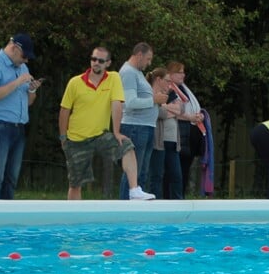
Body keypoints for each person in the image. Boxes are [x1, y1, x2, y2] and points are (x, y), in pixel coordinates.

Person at [59, 46, 155, 200]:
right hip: (77, 138)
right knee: (75, 183)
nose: (96, 63)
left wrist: (116, 132)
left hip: (100, 135)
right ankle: (74, 217)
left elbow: (116, 104)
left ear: (108, 63)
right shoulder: (75, 83)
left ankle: (134, 190)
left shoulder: (114, 78)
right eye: (93, 59)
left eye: (100, 60)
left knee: (127, 146)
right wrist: (63, 137)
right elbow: (64, 111)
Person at [0, 33, 42, 200]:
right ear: (14, 48)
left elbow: (27, 102)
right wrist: (18, 82)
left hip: (18, 128)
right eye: (24, 56)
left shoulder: (22, 68)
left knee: (11, 178)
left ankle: (6, 219)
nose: (26, 60)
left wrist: (32, 89)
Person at [118, 43, 168, 199]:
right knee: (133, 170)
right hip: (135, 127)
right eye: (148, 59)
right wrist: (153, 100)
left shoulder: (137, 73)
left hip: (145, 127)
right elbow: (129, 103)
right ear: (139, 55)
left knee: (142, 171)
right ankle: (125, 204)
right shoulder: (128, 73)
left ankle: (136, 204)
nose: (149, 63)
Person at [167, 61, 204, 198]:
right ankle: (171, 198)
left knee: (184, 170)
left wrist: (198, 115)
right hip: (177, 135)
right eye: (179, 72)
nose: (183, 75)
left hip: (187, 136)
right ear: (170, 74)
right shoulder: (169, 89)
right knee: (175, 171)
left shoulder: (183, 89)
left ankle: (179, 196)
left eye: (183, 72)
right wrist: (190, 117)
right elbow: (171, 111)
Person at [147, 67, 183, 199]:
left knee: (176, 175)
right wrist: (166, 110)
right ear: (158, 80)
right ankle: (155, 202)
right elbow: (159, 114)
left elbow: (179, 110)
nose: (170, 84)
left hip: (172, 141)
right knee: (156, 175)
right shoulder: (151, 95)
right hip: (158, 141)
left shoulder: (171, 94)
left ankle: (178, 202)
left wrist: (165, 107)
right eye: (167, 80)